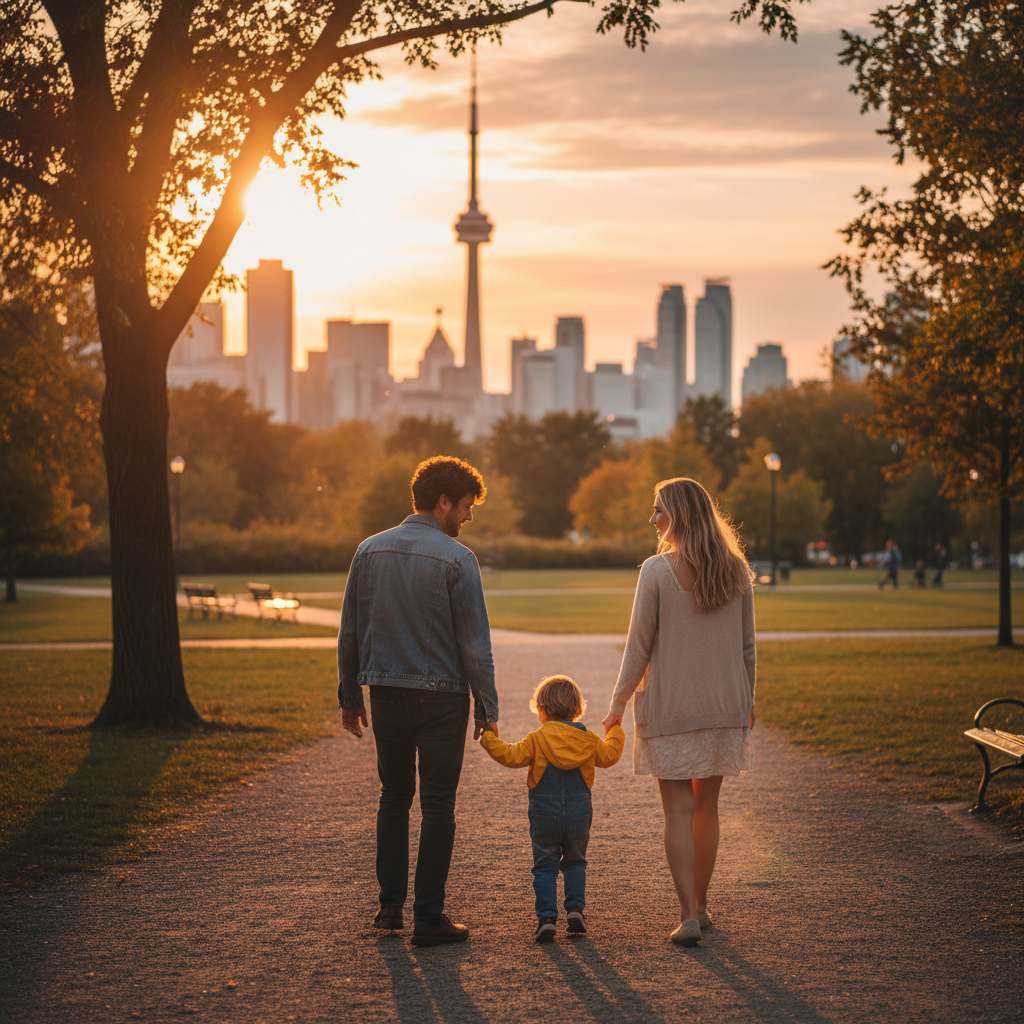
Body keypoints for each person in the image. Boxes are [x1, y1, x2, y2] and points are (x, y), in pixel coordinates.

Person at [337, 456, 499, 947]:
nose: (469, 517)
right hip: (442, 697)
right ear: (443, 501)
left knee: (393, 796)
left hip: (384, 694)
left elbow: (350, 631)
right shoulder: (457, 558)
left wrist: (350, 696)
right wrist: (487, 706)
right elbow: (474, 642)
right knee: (437, 804)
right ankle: (429, 917)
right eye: (467, 506)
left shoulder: (368, 550)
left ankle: (390, 910)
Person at [602, 477, 755, 947]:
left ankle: (688, 913)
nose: (652, 520)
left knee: (678, 810)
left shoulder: (655, 571)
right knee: (707, 808)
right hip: (724, 705)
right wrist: (747, 702)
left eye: (658, 511)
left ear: (681, 515)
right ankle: (703, 907)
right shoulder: (735, 570)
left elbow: (637, 647)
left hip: (672, 708)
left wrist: (617, 704)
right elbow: (748, 648)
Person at [480, 675, 624, 943]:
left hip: (544, 812)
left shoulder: (537, 739)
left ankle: (546, 918)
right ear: (578, 710)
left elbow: (510, 755)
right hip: (579, 812)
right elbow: (610, 755)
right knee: (575, 862)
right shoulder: (589, 739)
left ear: (542, 711)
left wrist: (489, 738)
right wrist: (614, 730)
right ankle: (575, 911)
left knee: (545, 866)